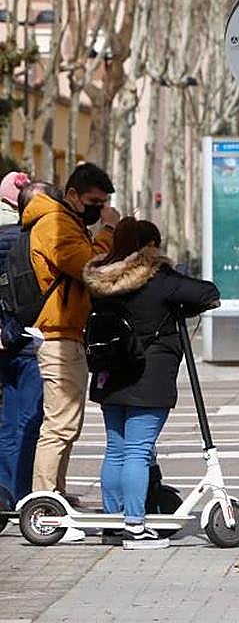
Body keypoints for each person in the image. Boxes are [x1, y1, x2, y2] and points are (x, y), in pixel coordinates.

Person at [82, 218, 220, 547]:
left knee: (116, 450)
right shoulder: (158, 278)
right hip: (149, 375)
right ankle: (134, 525)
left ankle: (113, 522)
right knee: (138, 451)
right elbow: (207, 292)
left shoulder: (100, 279)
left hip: (110, 374)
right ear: (149, 247)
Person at [26, 162, 119, 505]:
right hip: (57, 335)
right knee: (59, 426)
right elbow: (87, 268)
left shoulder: (67, 222)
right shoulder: (54, 223)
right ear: (72, 196)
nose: (99, 208)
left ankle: (56, 495)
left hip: (68, 332)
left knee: (67, 424)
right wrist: (108, 231)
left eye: (104, 202)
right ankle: (44, 501)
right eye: (94, 201)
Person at [0, 180, 55, 509]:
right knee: (28, 419)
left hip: (9, 337)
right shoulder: (29, 236)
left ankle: (5, 492)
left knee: (8, 421)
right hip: (27, 338)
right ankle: (21, 495)